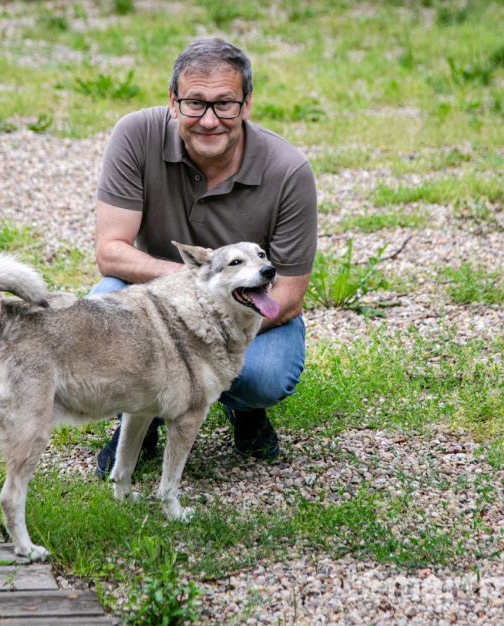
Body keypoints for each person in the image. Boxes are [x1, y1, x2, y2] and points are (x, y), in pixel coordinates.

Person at [92, 37, 317, 476]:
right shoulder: (135, 134)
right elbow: (111, 252)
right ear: (172, 103)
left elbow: (288, 297)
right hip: (159, 299)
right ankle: (141, 414)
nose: (209, 120)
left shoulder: (289, 170)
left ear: (246, 105)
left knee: (263, 377)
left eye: (225, 104)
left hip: (250, 308)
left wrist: (214, 331)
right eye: (195, 103)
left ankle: (243, 407)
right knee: (101, 309)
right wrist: (196, 285)